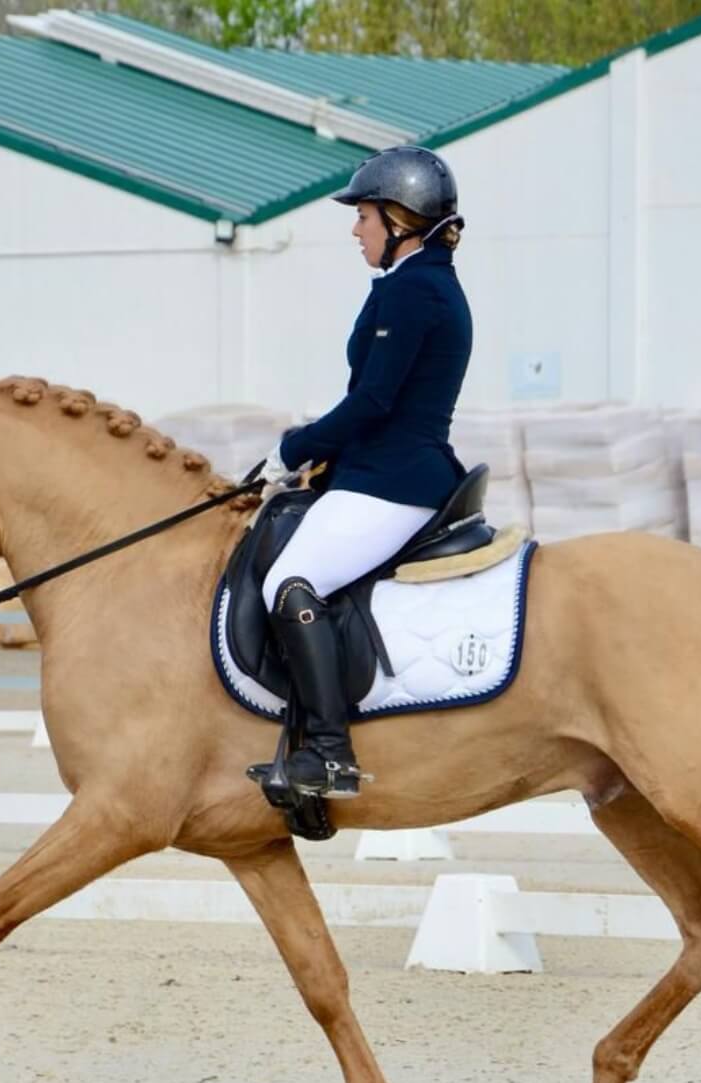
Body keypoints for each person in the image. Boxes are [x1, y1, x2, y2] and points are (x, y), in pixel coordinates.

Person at [255, 145, 473, 800]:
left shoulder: (416, 292)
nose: (356, 229)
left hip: (395, 480)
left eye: (364, 217)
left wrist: (293, 448)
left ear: (399, 218)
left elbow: (373, 402)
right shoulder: (422, 285)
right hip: (382, 468)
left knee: (289, 585)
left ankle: (327, 752)